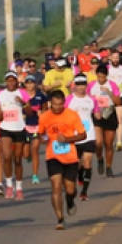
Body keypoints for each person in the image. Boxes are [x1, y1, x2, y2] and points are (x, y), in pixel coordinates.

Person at [37, 90, 86, 230]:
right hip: (53, 156)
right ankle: (60, 218)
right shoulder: (45, 117)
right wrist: (42, 139)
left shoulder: (72, 115)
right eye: (54, 105)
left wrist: (67, 139)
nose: (57, 107)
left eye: (59, 105)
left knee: (70, 190)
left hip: (70, 156)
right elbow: (40, 133)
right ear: (50, 103)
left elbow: (83, 135)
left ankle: (70, 200)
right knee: (56, 186)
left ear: (64, 103)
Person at [0, 71, 30, 200]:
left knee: (17, 160)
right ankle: (9, 185)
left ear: (16, 81)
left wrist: (23, 103)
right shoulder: (0, 94)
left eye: (13, 80)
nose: (10, 83)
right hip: (5, 128)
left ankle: (19, 187)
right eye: (8, 80)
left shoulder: (22, 93)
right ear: (5, 81)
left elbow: (30, 112)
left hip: (19, 128)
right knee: (7, 157)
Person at [64, 76, 100, 201]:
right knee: (77, 165)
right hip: (74, 136)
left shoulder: (92, 100)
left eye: (83, 84)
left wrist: (99, 114)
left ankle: (84, 192)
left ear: (86, 85)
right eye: (78, 84)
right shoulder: (69, 99)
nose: (81, 87)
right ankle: (80, 175)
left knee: (88, 163)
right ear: (75, 85)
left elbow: (97, 114)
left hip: (89, 134)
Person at [87, 65, 122, 178]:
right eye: (99, 77)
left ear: (106, 76)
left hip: (109, 114)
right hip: (97, 115)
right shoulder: (91, 85)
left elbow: (118, 101)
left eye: (103, 77)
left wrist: (109, 93)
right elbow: (87, 100)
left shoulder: (112, 85)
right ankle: (100, 159)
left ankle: (108, 167)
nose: (101, 79)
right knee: (98, 142)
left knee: (108, 144)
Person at [21, 75, 48, 185]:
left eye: (32, 82)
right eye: (28, 83)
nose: (30, 85)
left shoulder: (40, 95)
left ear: (35, 84)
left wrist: (42, 113)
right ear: (25, 84)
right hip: (25, 126)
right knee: (26, 154)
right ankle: (29, 157)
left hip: (37, 125)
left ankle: (35, 175)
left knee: (35, 149)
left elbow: (45, 107)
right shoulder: (21, 95)